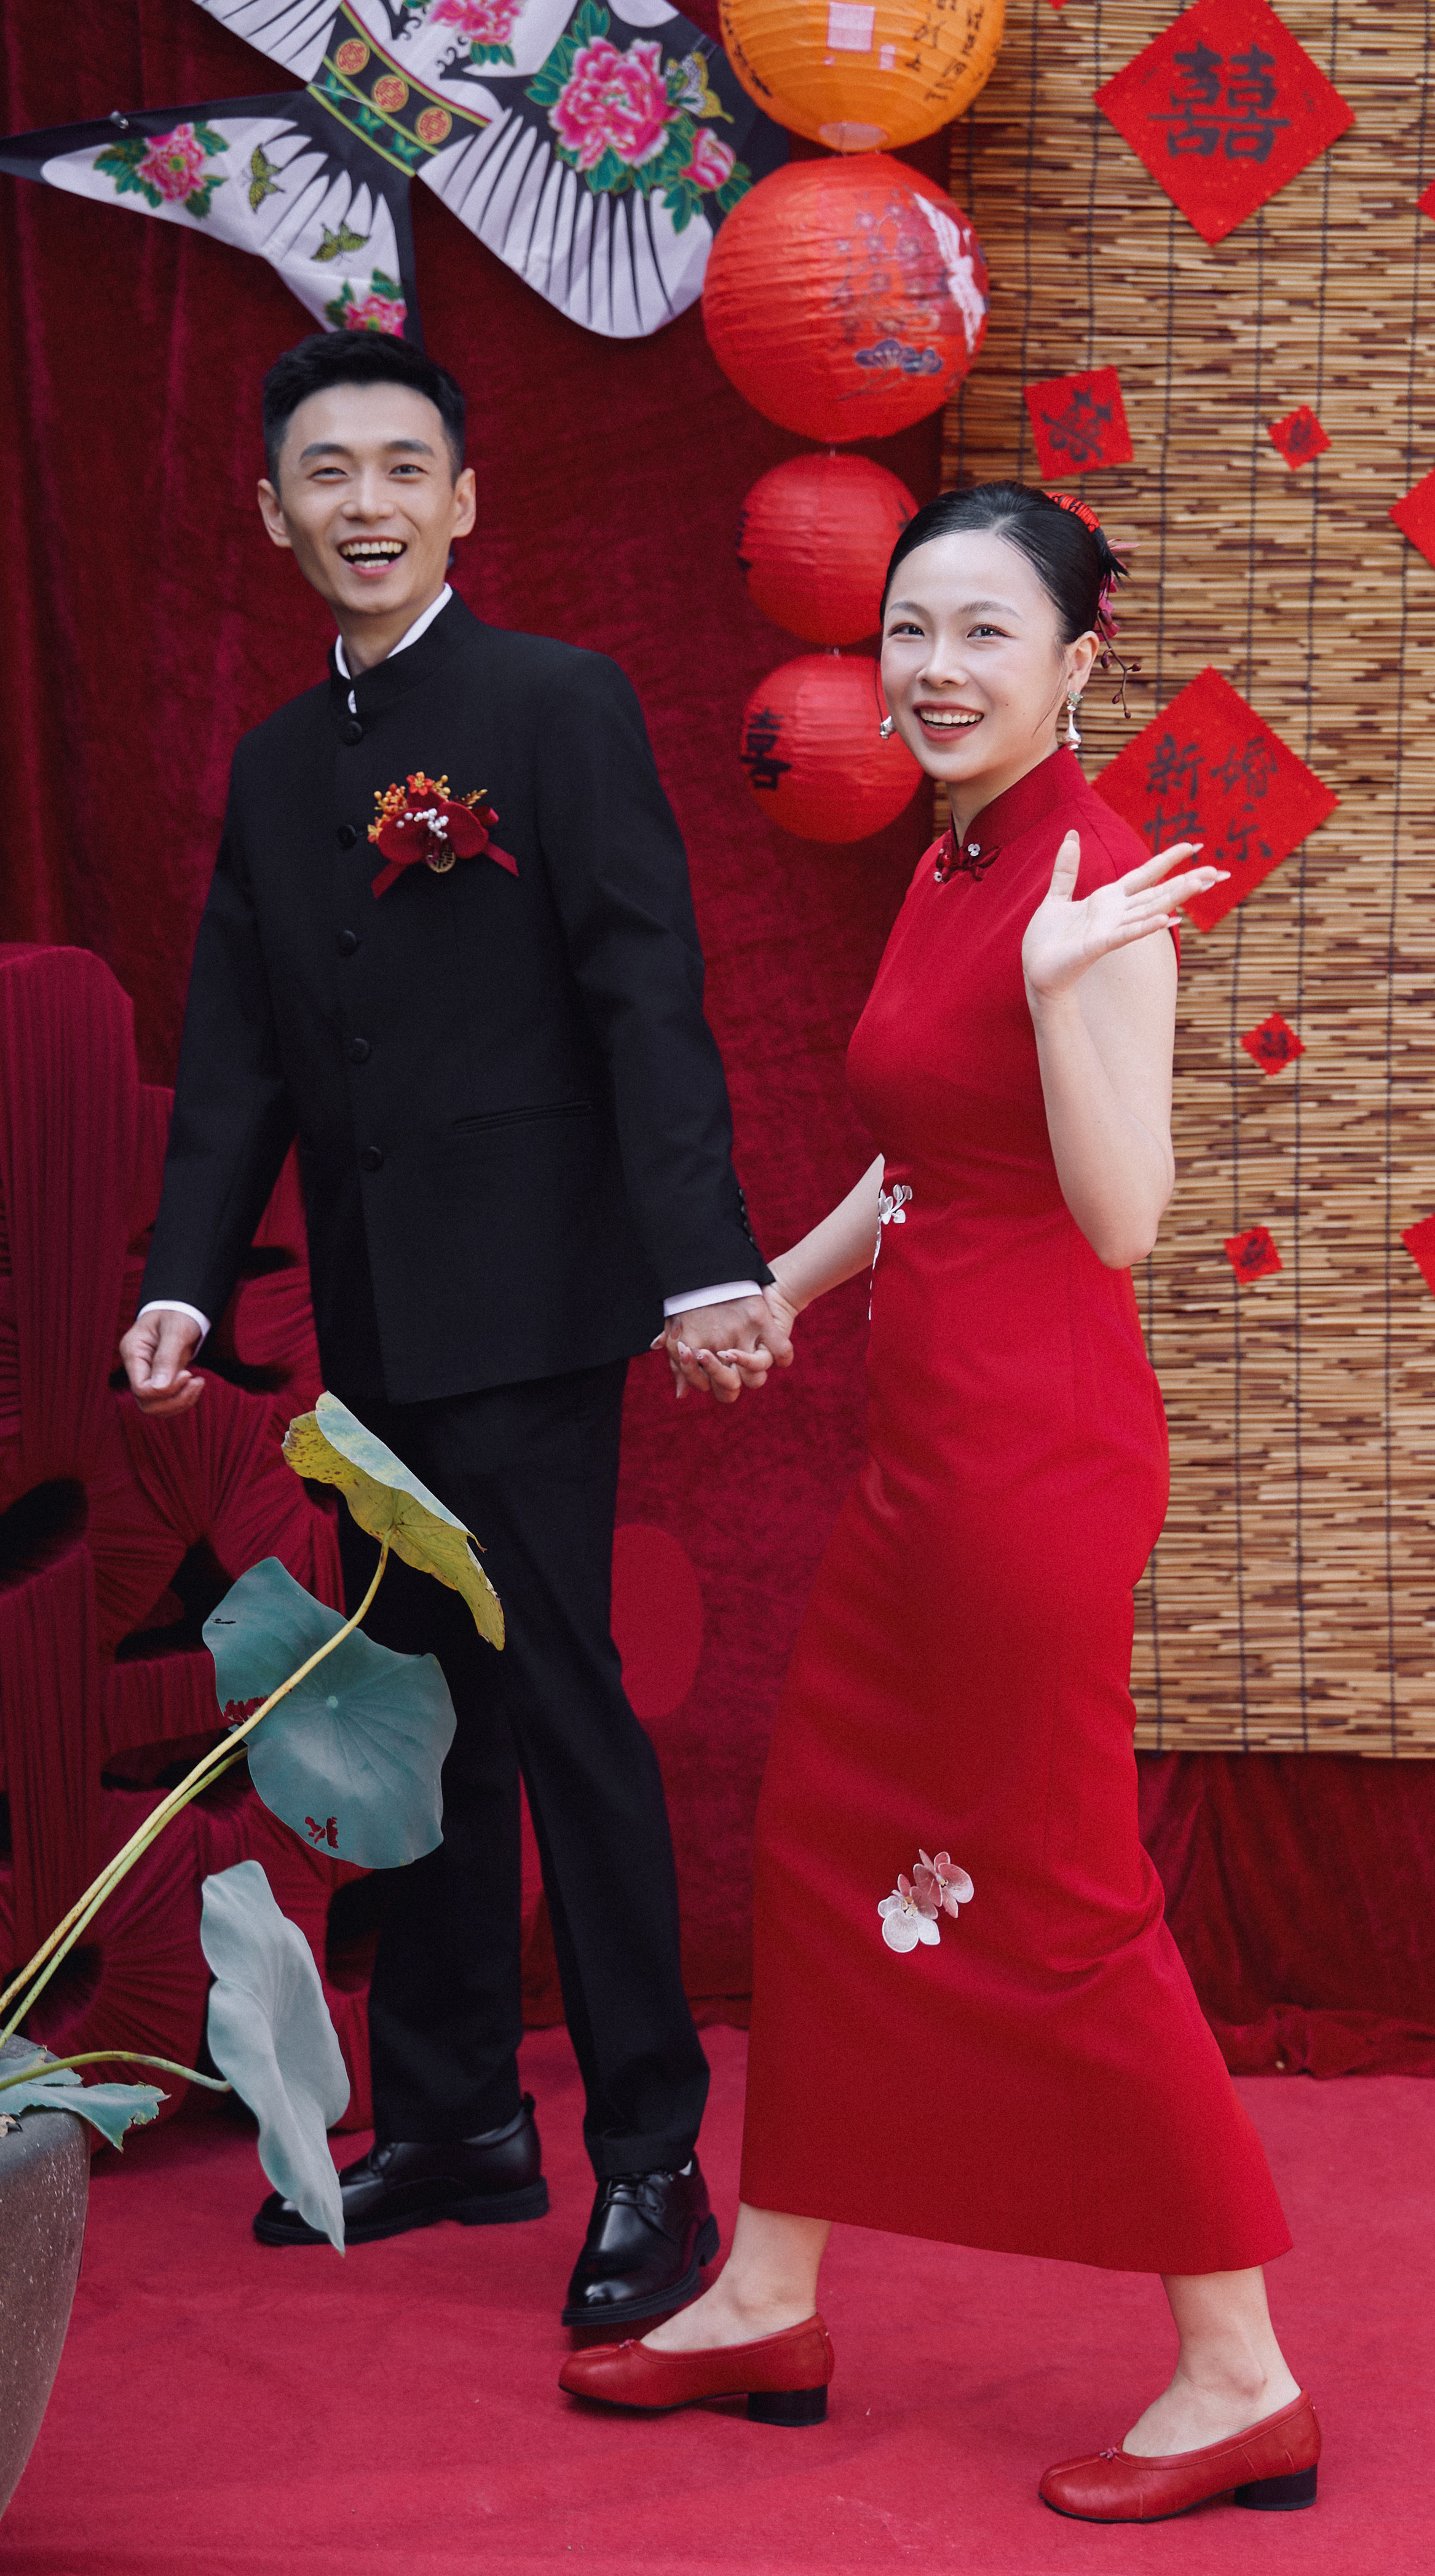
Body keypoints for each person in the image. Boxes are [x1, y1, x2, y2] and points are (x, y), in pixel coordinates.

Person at [558, 483, 1320, 2524]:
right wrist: (770, 1294)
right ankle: (767, 2296)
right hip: (929, 1447)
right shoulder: (957, 847)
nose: (935, 668)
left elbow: (1122, 1217)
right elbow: (922, 1159)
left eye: (988, 632)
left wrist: (1069, 988)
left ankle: (1241, 2375)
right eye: (910, 628)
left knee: (1058, 1893)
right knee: (826, 1842)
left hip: (1029, 1461)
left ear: (1079, 664)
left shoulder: (1097, 885)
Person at [120, 328, 791, 2331]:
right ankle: (452, 2116)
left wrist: (702, 1264)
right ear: (274, 512)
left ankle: (653, 2162)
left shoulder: (554, 704)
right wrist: (181, 1276)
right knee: (412, 1711)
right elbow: (237, 1048)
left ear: (464, 501)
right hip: (377, 1321)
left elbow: (647, 991)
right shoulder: (274, 764)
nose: (368, 503)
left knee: (564, 1707)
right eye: (328, 472)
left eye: (404, 468)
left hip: (535, 1304)